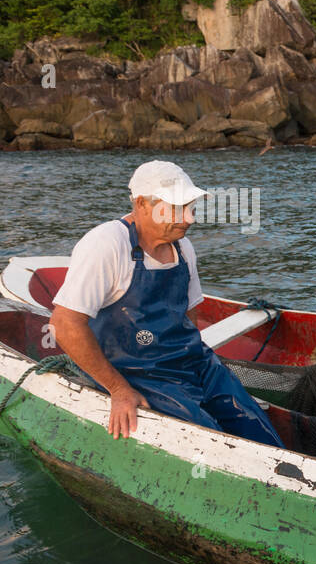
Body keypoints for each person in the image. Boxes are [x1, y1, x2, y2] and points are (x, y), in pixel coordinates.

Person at [50, 161, 284, 447]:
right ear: (141, 204)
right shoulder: (107, 244)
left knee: (259, 430)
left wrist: (191, 360)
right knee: (210, 440)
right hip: (138, 372)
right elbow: (64, 324)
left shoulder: (183, 248)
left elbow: (189, 313)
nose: (189, 218)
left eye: (190, 207)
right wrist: (118, 389)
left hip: (193, 362)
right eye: (175, 208)